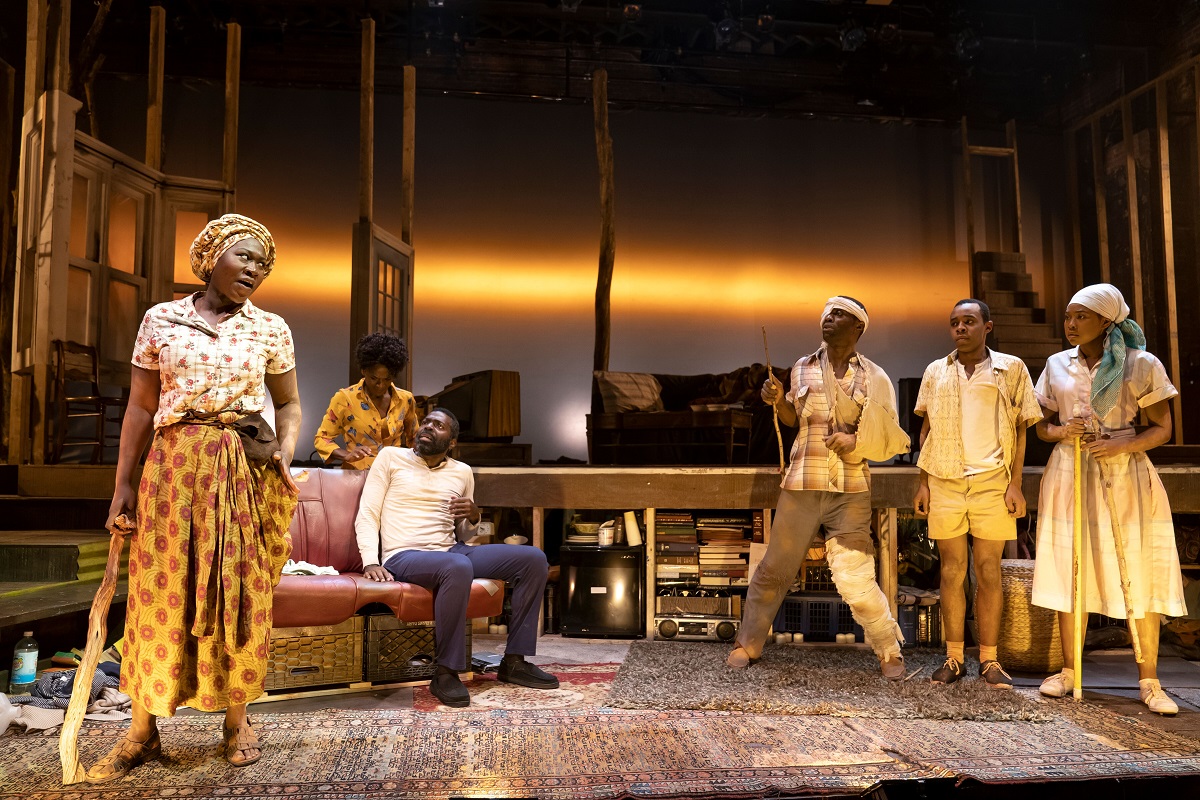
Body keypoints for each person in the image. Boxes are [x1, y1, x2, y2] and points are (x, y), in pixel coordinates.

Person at [87, 214, 301, 782]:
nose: (254, 269)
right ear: (212, 258)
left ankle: (236, 722)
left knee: (237, 591)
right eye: (244, 256)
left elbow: (289, 403)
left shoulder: (271, 328)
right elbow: (139, 407)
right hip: (173, 465)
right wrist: (123, 486)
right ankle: (141, 731)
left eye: (262, 263)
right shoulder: (162, 319)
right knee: (159, 590)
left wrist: (286, 448)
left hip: (239, 468)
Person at [728, 296, 909, 678]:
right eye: (828, 312)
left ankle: (888, 650)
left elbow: (887, 437)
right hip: (803, 481)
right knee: (776, 567)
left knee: (856, 575)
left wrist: (855, 442)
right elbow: (794, 417)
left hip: (850, 486)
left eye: (839, 313)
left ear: (858, 327)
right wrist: (777, 401)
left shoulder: (874, 377)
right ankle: (748, 642)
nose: (829, 318)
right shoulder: (801, 368)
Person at [1032, 283, 1185, 716]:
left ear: (1105, 320)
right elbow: (1042, 425)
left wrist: (1121, 445)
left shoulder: (1140, 363)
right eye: (1068, 316)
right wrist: (1064, 431)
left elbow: (1162, 427)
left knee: (1137, 569)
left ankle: (1149, 679)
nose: (1071, 324)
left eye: (1081, 316)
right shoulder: (1056, 364)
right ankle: (1069, 670)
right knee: (1071, 567)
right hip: (1071, 470)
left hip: (1124, 471)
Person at [355, 408, 558, 707]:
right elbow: (368, 513)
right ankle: (446, 671)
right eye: (425, 422)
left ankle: (514, 660)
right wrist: (370, 560)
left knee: (533, 559)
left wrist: (475, 516)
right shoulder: (390, 458)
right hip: (403, 555)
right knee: (458, 566)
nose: (427, 427)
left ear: (451, 442)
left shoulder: (462, 471)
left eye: (438, 426)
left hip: (451, 552)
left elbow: (463, 534)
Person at [912, 299, 1042, 689]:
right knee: (952, 570)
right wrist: (923, 481)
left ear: (988, 326)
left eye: (969, 321)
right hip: (946, 479)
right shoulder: (936, 370)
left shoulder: (1010, 368)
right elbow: (927, 429)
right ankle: (953, 658)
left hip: (992, 480)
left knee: (988, 571)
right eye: (954, 323)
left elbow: (1022, 429)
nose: (960, 328)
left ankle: (989, 659)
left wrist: (1015, 483)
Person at [314, 331, 418, 470]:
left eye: (387, 379)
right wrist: (347, 455)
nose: (380, 385)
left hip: (394, 475)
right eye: (374, 378)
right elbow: (322, 439)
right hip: (356, 476)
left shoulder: (406, 400)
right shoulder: (345, 399)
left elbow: (415, 439)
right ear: (363, 371)